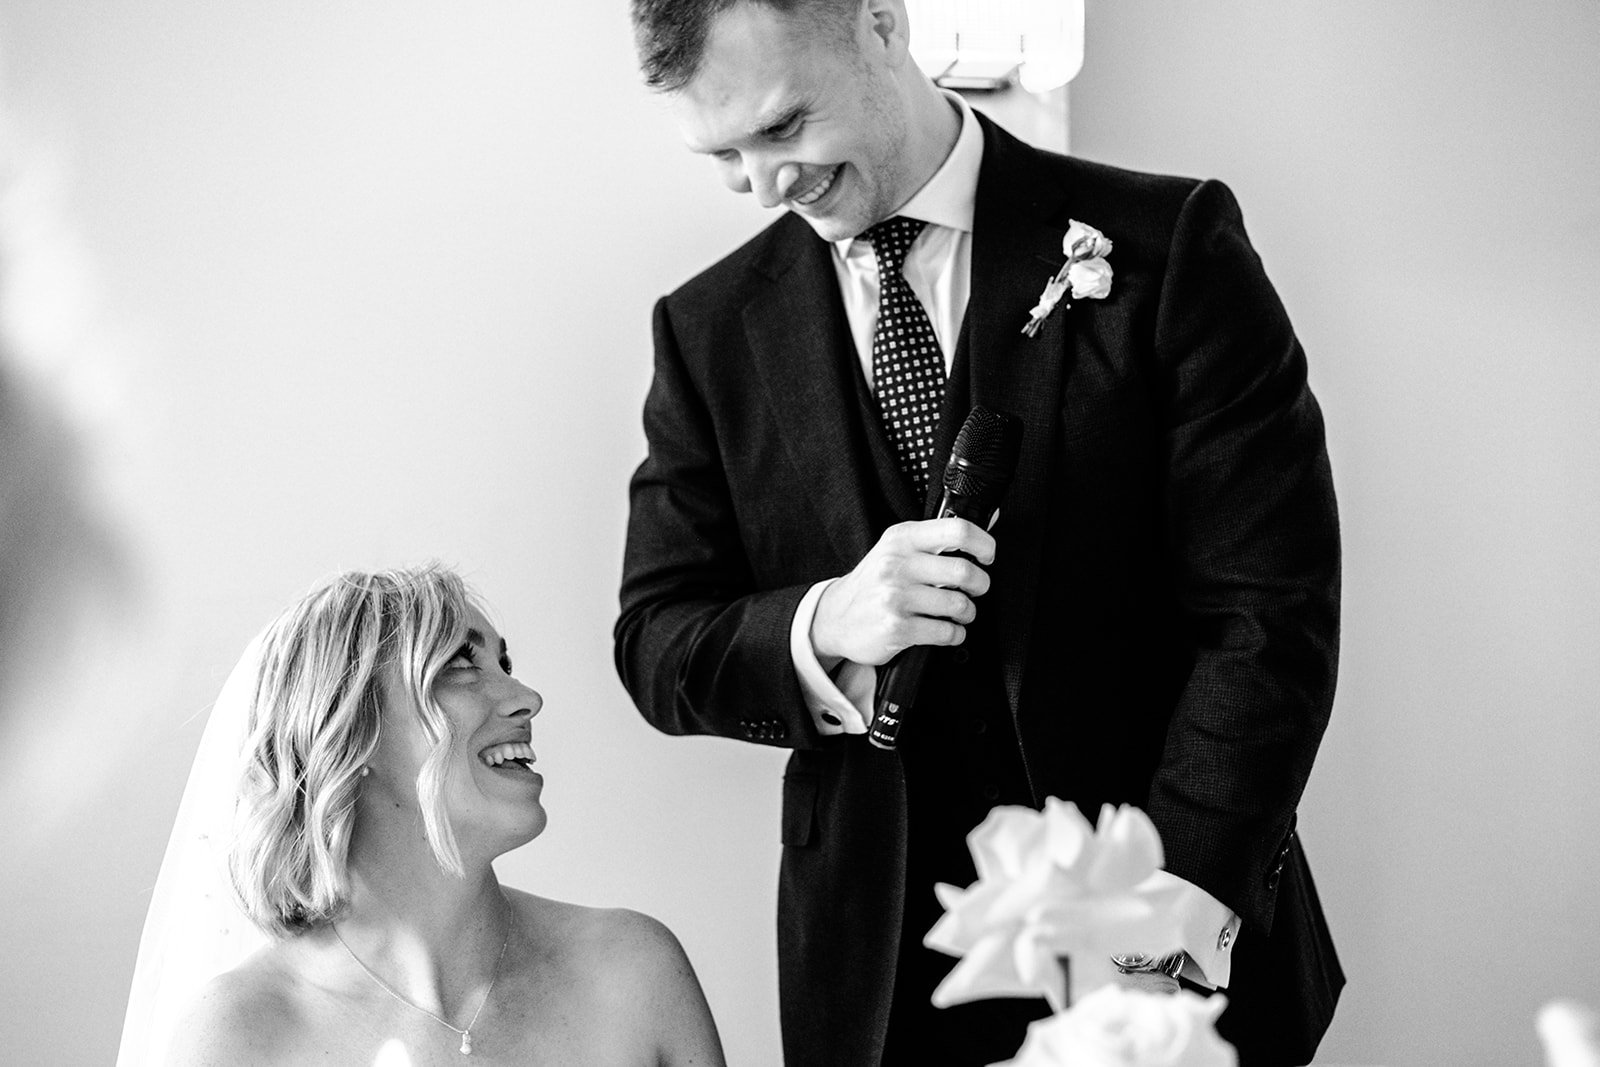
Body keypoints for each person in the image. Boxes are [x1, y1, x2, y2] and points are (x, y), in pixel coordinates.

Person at [614, 2, 1343, 1064]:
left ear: (880, 22)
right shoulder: (707, 329)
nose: (765, 184)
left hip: (1168, 933)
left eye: (781, 129)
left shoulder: (1167, 246)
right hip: (878, 972)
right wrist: (825, 623)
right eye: (722, 154)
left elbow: (1266, 612)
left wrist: (1162, 926)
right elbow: (656, 640)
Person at [121, 565, 724, 1065]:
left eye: (504, 665)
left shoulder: (633, 970)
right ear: (350, 733)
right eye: (460, 666)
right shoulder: (236, 1037)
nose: (526, 698)